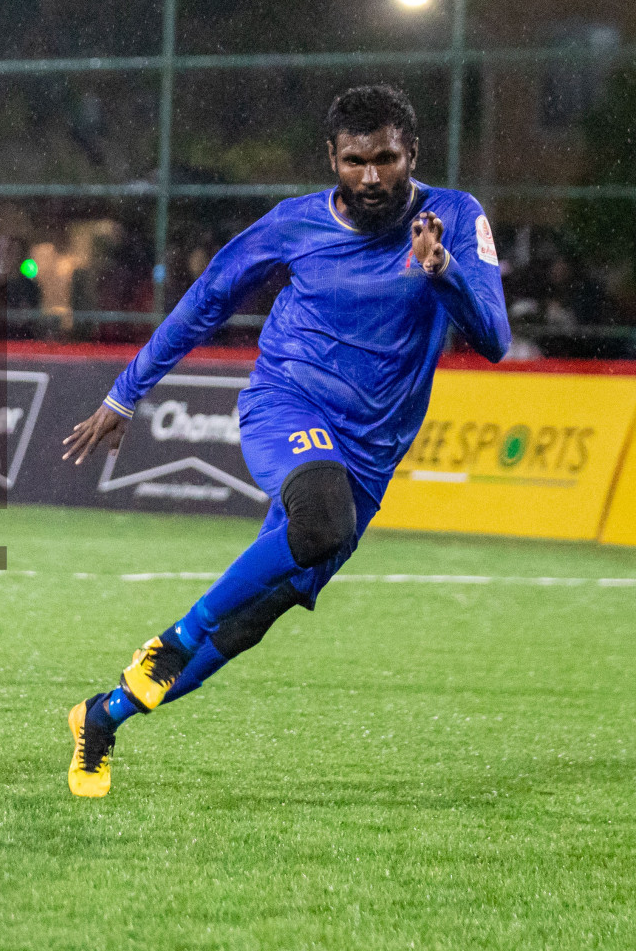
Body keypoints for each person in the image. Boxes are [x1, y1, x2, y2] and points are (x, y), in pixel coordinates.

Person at [60, 85, 511, 798]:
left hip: (371, 454)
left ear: (411, 155)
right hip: (287, 404)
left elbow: (494, 340)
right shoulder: (292, 225)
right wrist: (125, 392)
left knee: (248, 622)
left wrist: (442, 272)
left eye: (386, 159)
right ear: (332, 158)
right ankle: (173, 638)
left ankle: (100, 717)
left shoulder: (453, 217)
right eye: (356, 160)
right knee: (318, 515)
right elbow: (206, 301)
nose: (371, 177)